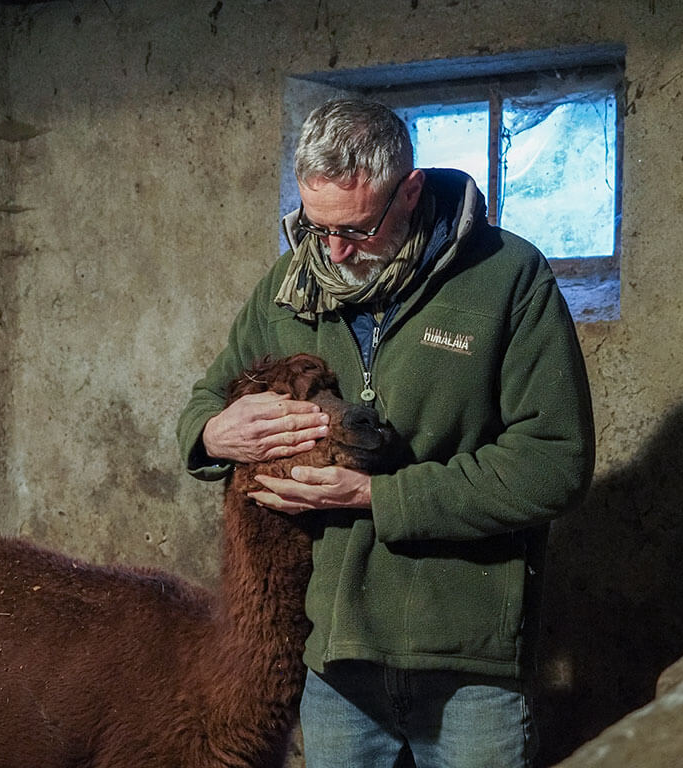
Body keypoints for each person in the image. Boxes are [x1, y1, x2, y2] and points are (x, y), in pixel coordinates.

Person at [177, 98, 595, 768]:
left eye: (358, 230)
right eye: (318, 229)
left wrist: (376, 497)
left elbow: (553, 464)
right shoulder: (292, 283)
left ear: (410, 191)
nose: (335, 253)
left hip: (468, 664)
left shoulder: (507, 277)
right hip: (335, 660)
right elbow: (204, 402)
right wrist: (214, 432)